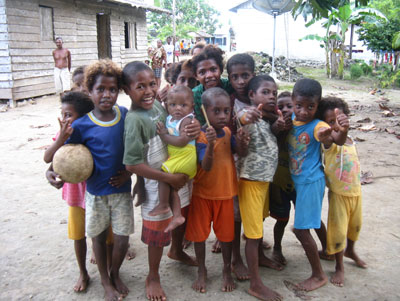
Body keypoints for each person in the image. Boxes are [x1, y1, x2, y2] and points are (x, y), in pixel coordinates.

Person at [122, 61, 200, 301]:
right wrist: (165, 178)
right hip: (159, 180)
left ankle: (176, 251)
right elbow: (132, 163)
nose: (147, 91)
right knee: (157, 228)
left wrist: (193, 126)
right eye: (139, 87)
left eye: (151, 84)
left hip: (173, 168)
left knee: (180, 214)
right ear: (126, 90)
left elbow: (176, 126)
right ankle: (153, 276)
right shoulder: (134, 120)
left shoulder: (158, 105)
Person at [67, 59, 133, 301]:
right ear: (90, 91)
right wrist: (53, 172)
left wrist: (130, 172)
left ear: (119, 91)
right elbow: (67, 157)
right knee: (97, 236)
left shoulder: (125, 116)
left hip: (122, 190)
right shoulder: (82, 125)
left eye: (112, 89)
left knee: (123, 237)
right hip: (95, 193)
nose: (107, 94)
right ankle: (104, 280)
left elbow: (135, 151)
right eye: (100, 89)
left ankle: (115, 273)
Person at [185, 87, 249, 293]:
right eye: (217, 111)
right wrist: (211, 144)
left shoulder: (228, 131)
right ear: (204, 111)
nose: (223, 116)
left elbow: (240, 152)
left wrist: (242, 142)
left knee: (227, 236)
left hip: (225, 194)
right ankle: (202, 270)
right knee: (199, 236)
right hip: (202, 195)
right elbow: (207, 166)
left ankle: (226, 270)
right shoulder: (200, 137)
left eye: (226, 111)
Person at [288, 78, 348, 291]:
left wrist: (333, 135)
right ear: (293, 101)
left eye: (310, 107)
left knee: (301, 230)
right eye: (299, 106)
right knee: (313, 221)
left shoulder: (318, 125)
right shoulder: (291, 118)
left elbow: (333, 139)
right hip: (299, 182)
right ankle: (328, 251)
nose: (304, 112)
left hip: (311, 182)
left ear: (317, 104)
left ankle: (318, 274)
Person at [237, 75, 284, 301]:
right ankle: (255, 284)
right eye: (265, 92)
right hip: (251, 183)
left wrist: (276, 125)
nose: (272, 96)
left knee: (259, 223)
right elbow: (241, 118)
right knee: (253, 235)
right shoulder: (248, 113)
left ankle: (261, 260)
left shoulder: (267, 119)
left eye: (274, 92)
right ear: (251, 95)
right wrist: (248, 115)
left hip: (264, 181)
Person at [44, 91, 94, 293]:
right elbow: (49, 158)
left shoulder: (92, 132)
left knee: (104, 236)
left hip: (96, 192)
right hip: (75, 195)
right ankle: (83, 272)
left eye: (68, 115)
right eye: (62, 114)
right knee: (78, 235)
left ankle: (109, 268)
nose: (63, 119)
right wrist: (60, 140)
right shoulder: (62, 136)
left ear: (82, 118)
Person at [317, 96, 367, 287]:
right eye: (330, 122)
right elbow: (337, 139)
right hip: (339, 196)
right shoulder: (329, 142)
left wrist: (345, 130)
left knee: (355, 227)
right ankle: (339, 265)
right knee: (338, 232)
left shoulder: (351, 140)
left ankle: (351, 250)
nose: (336, 125)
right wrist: (340, 131)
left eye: (340, 119)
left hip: (356, 193)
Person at [149, 85, 197, 233]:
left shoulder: (187, 120)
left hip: (185, 155)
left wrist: (164, 136)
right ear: (166, 105)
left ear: (191, 107)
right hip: (178, 156)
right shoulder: (170, 118)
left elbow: (182, 141)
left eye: (183, 105)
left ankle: (163, 204)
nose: (178, 109)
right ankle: (177, 216)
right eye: (173, 105)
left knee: (163, 176)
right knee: (171, 186)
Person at [192, 45, 233, 126]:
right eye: (202, 72)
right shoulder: (194, 95)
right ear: (196, 76)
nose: (209, 75)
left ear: (220, 70)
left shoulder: (230, 86)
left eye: (213, 69)